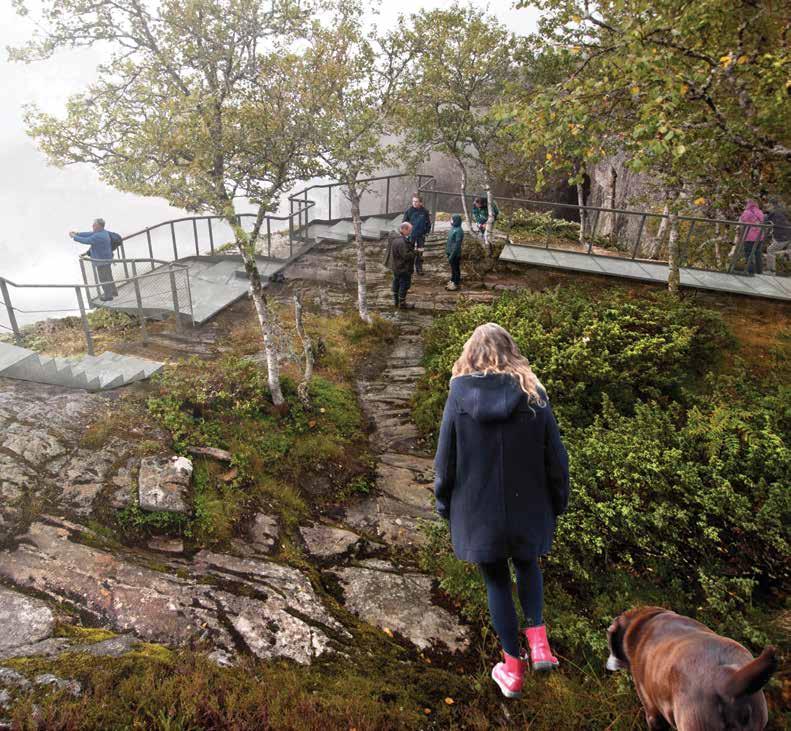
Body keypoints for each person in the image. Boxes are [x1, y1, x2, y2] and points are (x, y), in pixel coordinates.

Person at [434, 323, 569, 700]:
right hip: (529, 508)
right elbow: (556, 457)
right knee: (527, 565)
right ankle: (540, 644)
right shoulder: (534, 393)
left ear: (470, 355)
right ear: (511, 351)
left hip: (478, 515)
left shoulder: (458, 396)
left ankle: (512, 670)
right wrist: (559, 500)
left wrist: (444, 505)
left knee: (496, 581)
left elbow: (445, 461)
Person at [69, 218, 117, 301]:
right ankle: (113, 292)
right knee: (109, 276)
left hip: (101, 261)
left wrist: (74, 237)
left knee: (104, 279)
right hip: (107, 258)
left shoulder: (98, 236)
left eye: (94, 225)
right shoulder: (103, 232)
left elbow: (87, 240)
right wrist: (78, 233)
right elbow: (89, 234)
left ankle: (108, 296)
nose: (92, 226)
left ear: (98, 226)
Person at [388, 222, 416, 309]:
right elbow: (406, 255)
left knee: (396, 283)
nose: (410, 232)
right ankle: (402, 304)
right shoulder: (402, 242)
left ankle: (396, 302)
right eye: (409, 230)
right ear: (404, 229)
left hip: (396, 266)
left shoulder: (395, 239)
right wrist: (415, 252)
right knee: (404, 285)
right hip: (403, 268)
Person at [402, 195, 431, 275]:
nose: (414, 203)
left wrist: (426, 232)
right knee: (409, 252)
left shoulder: (425, 211)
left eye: (416, 201)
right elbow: (404, 223)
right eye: (413, 201)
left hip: (421, 236)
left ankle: (419, 268)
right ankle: (409, 268)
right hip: (411, 236)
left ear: (420, 202)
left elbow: (428, 223)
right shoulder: (409, 211)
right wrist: (405, 234)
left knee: (420, 252)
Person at [738, 200, 765, 275]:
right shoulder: (760, 212)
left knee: (748, 254)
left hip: (749, 237)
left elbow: (740, 223)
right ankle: (759, 271)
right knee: (758, 254)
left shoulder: (746, 212)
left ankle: (750, 271)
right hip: (759, 237)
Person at [765, 197, 791, 275]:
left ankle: (771, 271)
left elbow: (765, 221)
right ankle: (786, 252)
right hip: (789, 234)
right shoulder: (783, 210)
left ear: (772, 204)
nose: (767, 205)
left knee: (770, 250)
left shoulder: (773, 212)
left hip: (782, 236)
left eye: (769, 204)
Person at [445, 214, 464, 291]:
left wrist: (452, 255)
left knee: (455, 269)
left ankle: (456, 283)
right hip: (450, 252)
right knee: (453, 268)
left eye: (452, 219)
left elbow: (457, 245)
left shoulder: (459, 230)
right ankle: (452, 280)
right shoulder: (453, 228)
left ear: (456, 220)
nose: (451, 221)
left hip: (455, 254)